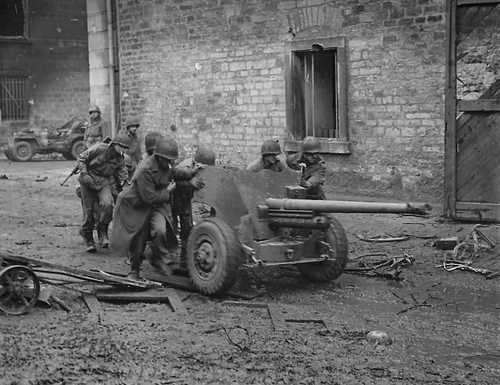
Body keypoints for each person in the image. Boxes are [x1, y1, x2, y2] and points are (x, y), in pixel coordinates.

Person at [110, 137, 196, 280]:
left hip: (156, 204)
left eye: (171, 160)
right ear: (159, 156)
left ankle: (157, 257)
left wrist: (191, 174)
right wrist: (168, 191)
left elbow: (174, 172)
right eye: (167, 160)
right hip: (137, 205)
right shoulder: (145, 169)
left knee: (161, 231)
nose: (170, 163)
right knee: (138, 238)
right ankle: (134, 270)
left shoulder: (166, 164)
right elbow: (148, 198)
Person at [77, 132, 130, 252]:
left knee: (108, 206)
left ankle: (102, 230)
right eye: (122, 147)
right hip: (88, 180)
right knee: (89, 212)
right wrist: (84, 173)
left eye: (125, 148)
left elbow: (123, 172)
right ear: (114, 144)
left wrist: (126, 185)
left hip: (104, 182)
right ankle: (88, 237)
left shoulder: (120, 158)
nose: (123, 150)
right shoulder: (99, 148)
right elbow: (82, 158)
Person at [172, 146, 215, 273]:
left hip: (188, 200)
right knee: (175, 230)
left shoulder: (206, 168)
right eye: (202, 167)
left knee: (188, 229)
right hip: (174, 200)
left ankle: (185, 264)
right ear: (196, 163)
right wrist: (189, 183)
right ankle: (170, 262)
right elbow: (172, 183)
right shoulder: (183, 168)